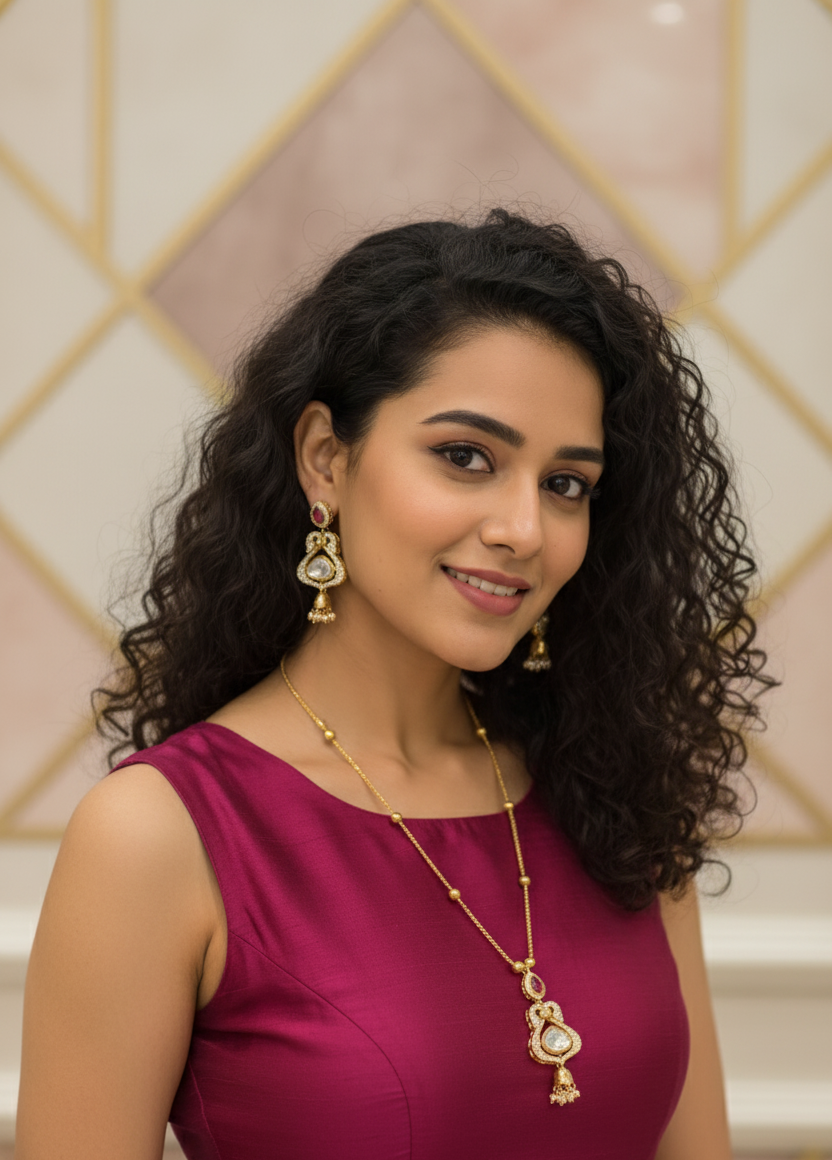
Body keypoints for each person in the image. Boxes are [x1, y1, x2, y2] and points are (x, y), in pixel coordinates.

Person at [16, 209, 772, 1159]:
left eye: (566, 484)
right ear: (326, 459)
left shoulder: (614, 797)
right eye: (466, 457)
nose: (523, 530)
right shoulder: (159, 837)